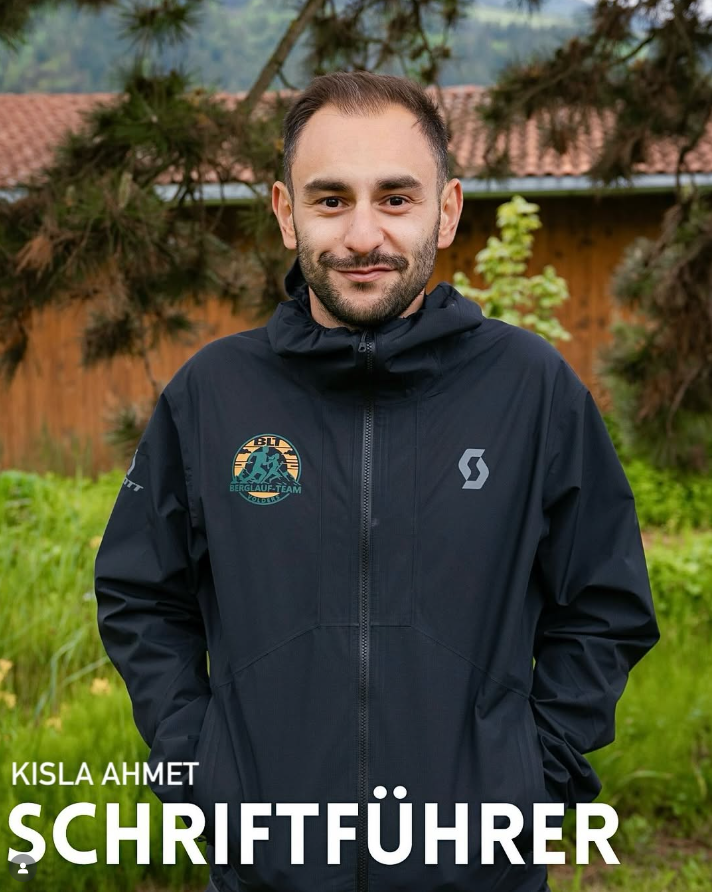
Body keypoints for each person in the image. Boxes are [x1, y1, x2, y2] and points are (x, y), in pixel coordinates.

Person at [94, 70, 660, 892]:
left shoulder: (532, 390)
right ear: (286, 213)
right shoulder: (211, 395)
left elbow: (606, 604)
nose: (364, 235)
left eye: (396, 198)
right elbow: (141, 595)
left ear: (448, 209)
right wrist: (202, 765)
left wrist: (529, 779)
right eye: (331, 200)